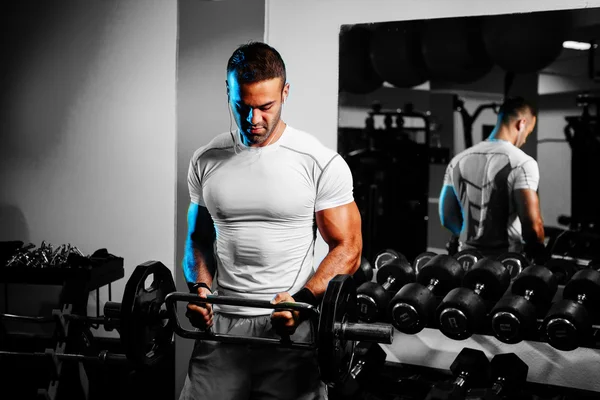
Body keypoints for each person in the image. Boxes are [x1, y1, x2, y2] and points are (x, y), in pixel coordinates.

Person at [179, 41, 362, 400]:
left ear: (285, 92)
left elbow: (349, 247)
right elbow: (198, 238)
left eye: (266, 107)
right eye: (242, 107)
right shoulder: (206, 159)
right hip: (221, 326)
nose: (254, 120)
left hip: (288, 326)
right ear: (229, 92)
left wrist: (302, 298)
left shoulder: (318, 161)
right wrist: (200, 290)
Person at [439, 96, 546, 262]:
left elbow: (447, 216)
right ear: (521, 124)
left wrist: (471, 239)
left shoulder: (459, 160)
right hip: (505, 264)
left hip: (465, 260)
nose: (524, 139)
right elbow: (532, 227)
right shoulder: (522, 163)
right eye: (528, 133)